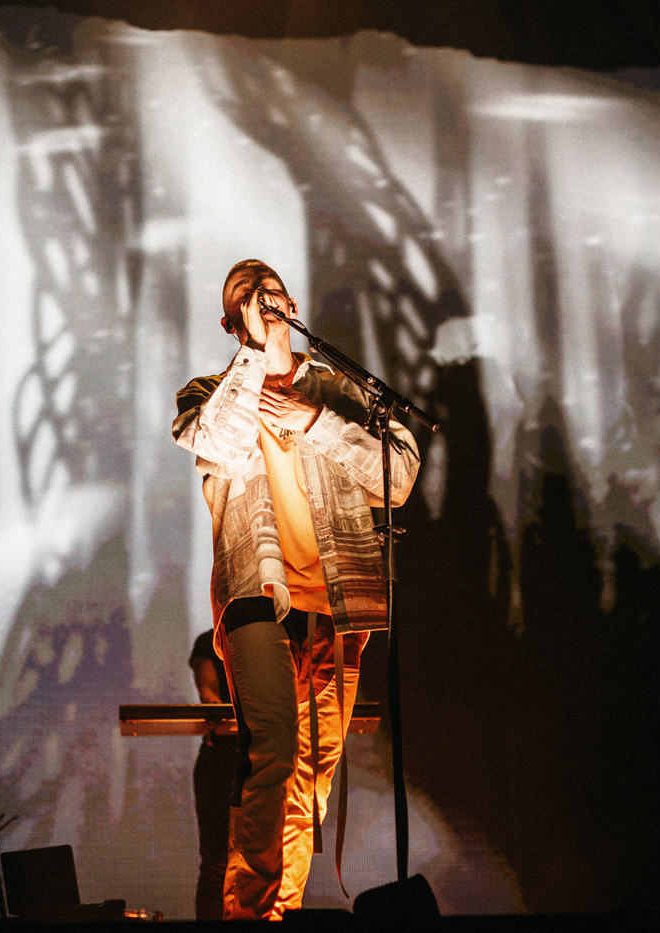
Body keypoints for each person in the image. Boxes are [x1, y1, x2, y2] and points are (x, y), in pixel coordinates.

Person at [172, 259, 420, 920]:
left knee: (312, 783)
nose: (263, 297)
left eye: (271, 288)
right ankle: (250, 916)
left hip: (338, 606)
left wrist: (316, 419)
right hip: (260, 600)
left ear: (293, 301)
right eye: (246, 296)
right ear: (231, 322)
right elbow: (215, 441)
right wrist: (255, 356)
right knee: (272, 752)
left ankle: (281, 908)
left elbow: (398, 476)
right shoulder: (209, 392)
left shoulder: (340, 391)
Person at [189, 628, 234, 920]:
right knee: (217, 862)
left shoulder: (279, 635)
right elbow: (209, 694)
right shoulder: (209, 641)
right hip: (221, 757)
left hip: (263, 755)